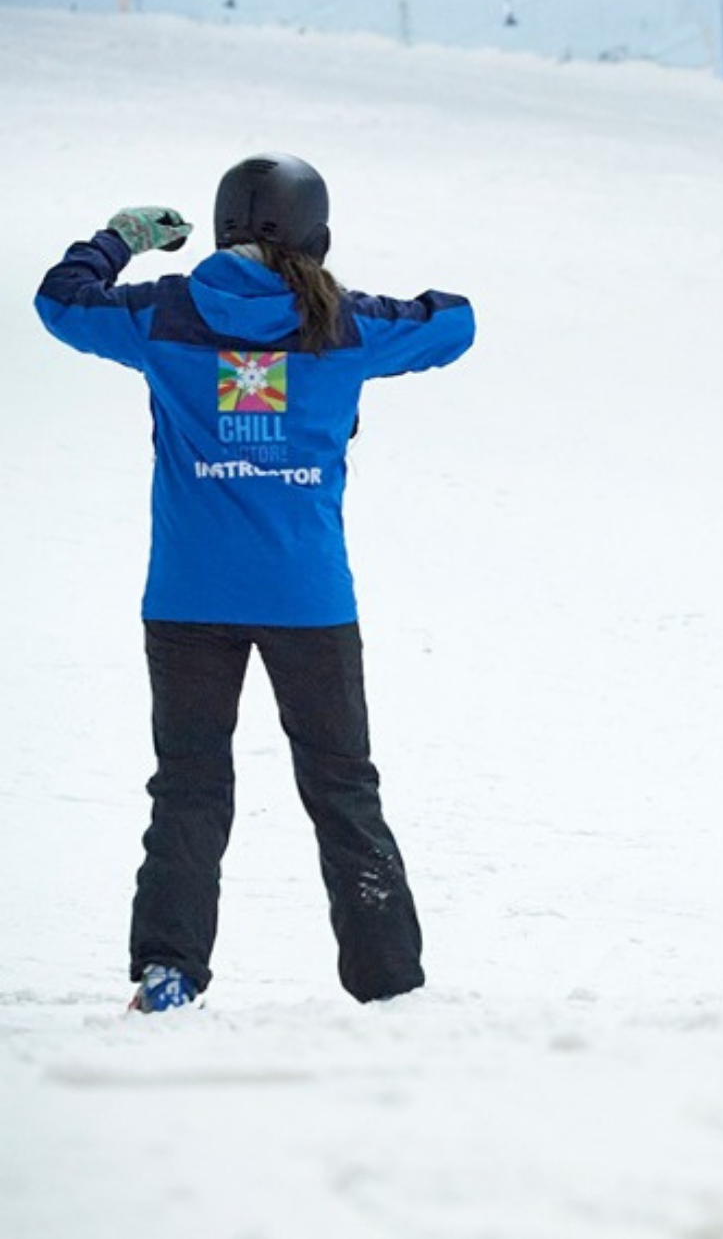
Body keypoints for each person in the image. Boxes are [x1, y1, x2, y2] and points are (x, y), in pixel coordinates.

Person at [34, 153, 476, 1011]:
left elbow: (60, 302)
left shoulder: (161, 314)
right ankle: (389, 984)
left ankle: (168, 972)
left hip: (187, 598)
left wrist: (119, 242)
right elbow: (455, 322)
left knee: (189, 785)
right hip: (308, 602)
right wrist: (351, 302)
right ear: (315, 234)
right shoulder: (345, 326)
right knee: (344, 787)